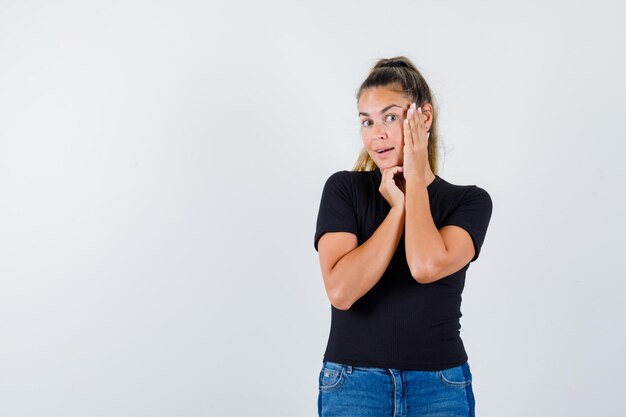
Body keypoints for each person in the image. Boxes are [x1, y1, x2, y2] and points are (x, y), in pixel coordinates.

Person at [313, 56, 493, 417]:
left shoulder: (469, 201)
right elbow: (341, 292)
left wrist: (412, 182)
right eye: (367, 121)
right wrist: (396, 212)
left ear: (423, 118)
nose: (376, 133)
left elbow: (426, 265)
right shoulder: (344, 189)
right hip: (353, 385)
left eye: (391, 117)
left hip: (440, 386)